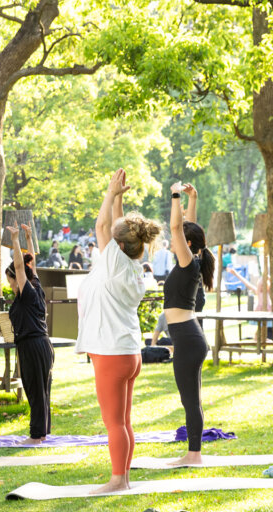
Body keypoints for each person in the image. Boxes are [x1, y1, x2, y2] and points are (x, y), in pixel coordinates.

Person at [76, 169, 162, 494]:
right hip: (128, 351)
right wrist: (119, 199)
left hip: (112, 352)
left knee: (114, 422)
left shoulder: (112, 262)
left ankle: (117, 480)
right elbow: (116, 228)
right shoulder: (132, 266)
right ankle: (122, 478)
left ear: (117, 245)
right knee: (123, 421)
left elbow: (102, 227)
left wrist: (110, 193)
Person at [162, 183, 215, 467]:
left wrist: (175, 196)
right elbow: (187, 229)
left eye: (182, 237)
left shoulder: (188, 262)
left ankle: (193, 454)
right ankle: (193, 452)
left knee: (190, 399)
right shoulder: (192, 259)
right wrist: (194, 198)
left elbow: (176, 230)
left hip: (188, 339)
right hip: (187, 337)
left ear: (188, 243)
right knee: (191, 398)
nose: (174, 240)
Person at [6, 224, 54, 445]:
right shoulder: (36, 285)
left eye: (11, 280)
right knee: (42, 391)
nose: (10, 285)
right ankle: (43, 432)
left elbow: (20, 265)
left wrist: (16, 240)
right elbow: (30, 263)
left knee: (35, 391)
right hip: (41, 345)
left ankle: (36, 436)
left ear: (18, 278)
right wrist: (28, 237)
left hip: (33, 346)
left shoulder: (26, 292)